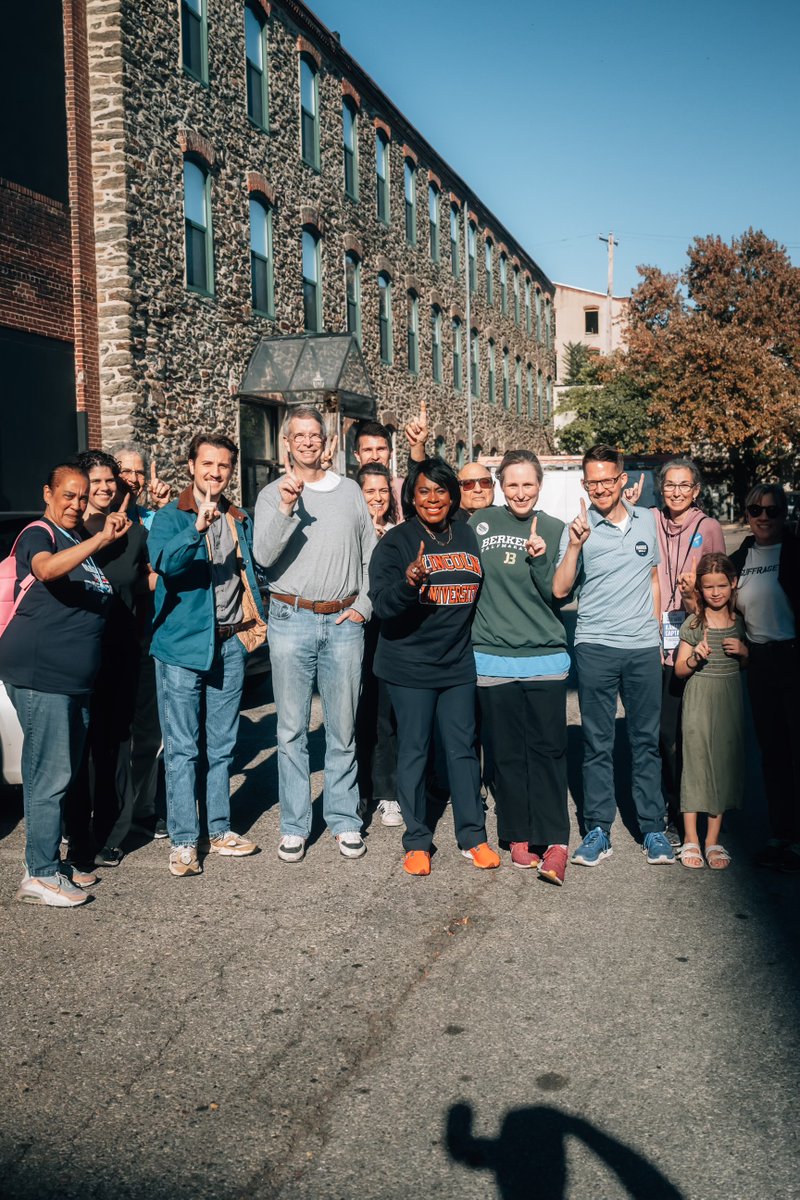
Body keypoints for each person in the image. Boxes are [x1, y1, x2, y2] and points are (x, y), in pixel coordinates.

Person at [0, 462, 128, 906]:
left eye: (81, 495)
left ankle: (52, 862)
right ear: (48, 494)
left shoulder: (77, 539)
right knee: (47, 775)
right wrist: (99, 539)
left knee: (62, 772)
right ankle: (39, 874)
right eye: (68, 495)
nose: (75, 503)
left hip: (74, 680)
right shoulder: (41, 533)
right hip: (43, 675)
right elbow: (47, 570)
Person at [254, 406, 375, 863]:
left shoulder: (349, 493)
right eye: (298, 435)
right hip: (291, 618)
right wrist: (287, 506)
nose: (307, 442)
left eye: (314, 435)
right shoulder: (271, 495)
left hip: (344, 621)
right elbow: (264, 557)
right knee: (290, 730)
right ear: (287, 443)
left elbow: (371, 556)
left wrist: (364, 605)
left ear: (327, 443)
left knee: (342, 729)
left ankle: (344, 820)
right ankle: (295, 824)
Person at [368, 457, 500, 876]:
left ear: (452, 495)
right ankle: (417, 840)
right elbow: (383, 604)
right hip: (409, 666)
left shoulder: (466, 533)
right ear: (411, 496)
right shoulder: (396, 543)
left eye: (441, 490)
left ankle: (473, 837)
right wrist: (409, 583)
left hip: (457, 661)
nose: (432, 499)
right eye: (423, 491)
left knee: (462, 750)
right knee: (414, 752)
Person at [148, 433, 266, 877]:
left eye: (223, 466)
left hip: (231, 642)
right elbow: (164, 563)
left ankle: (218, 831)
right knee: (182, 748)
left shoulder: (239, 517)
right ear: (191, 466)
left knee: (221, 747)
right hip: (181, 647)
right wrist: (196, 529)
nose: (215, 472)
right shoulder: (170, 516)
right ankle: (182, 841)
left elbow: (255, 568)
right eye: (207, 464)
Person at [553, 445, 675, 867]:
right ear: (584, 484)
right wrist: (573, 546)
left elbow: (654, 579)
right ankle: (597, 830)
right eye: (593, 482)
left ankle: (653, 828)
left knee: (646, 742)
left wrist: (657, 633)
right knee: (597, 743)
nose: (601, 488)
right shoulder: (581, 528)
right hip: (596, 648)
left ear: (623, 479)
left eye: (608, 479)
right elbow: (560, 590)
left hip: (642, 647)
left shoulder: (648, 520)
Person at [470, 450, 571, 884]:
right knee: (507, 754)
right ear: (500, 485)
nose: (520, 492)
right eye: (512, 484)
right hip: (492, 657)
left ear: (540, 484)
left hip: (544, 658)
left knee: (547, 752)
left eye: (528, 484)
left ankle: (556, 841)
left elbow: (559, 593)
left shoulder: (554, 528)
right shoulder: (479, 525)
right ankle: (517, 834)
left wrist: (542, 557)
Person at [626, 458, 726, 844]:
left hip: (696, 643)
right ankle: (673, 805)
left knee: (700, 733)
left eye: (685, 485)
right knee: (666, 735)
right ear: (660, 487)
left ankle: (707, 809)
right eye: (670, 485)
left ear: (697, 490)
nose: (677, 492)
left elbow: (722, 588)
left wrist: (693, 599)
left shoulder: (710, 528)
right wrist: (627, 502)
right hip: (657, 644)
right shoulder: (648, 519)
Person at [64, 450, 151, 869]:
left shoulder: (134, 534)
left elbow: (146, 584)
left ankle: (112, 834)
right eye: (95, 481)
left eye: (109, 481)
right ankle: (77, 830)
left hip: (120, 652)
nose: (103, 488)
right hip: (76, 653)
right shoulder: (68, 532)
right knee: (79, 748)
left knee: (115, 744)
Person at [730, 484, 800, 873]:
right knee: (773, 752)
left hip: (793, 657)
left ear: (784, 513)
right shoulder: (741, 556)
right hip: (759, 660)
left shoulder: (794, 551)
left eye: (772, 511)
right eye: (756, 509)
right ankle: (781, 834)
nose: (763, 517)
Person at [674, 553, 747, 869]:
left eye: (721, 585)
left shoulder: (739, 623)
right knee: (696, 761)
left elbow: (745, 665)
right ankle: (691, 837)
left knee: (723, 763)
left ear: (733, 584)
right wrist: (695, 658)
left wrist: (745, 652)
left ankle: (713, 840)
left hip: (729, 698)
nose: (715, 593)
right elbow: (678, 669)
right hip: (700, 696)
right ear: (700, 590)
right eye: (708, 587)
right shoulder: (694, 623)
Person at [355, 463, 401, 826]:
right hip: (357, 628)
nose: (377, 498)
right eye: (370, 491)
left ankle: (388, 793)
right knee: (357, 713)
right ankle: (359, 791)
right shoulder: (350, 530)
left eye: (383, 491)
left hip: (390, 629)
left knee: (387, 713)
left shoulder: (399, 533)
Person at [115, 444, 171, 529]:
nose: (134, 479)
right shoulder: (98, 517)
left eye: (139, 473)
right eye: (126, 471)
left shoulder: (150, 519)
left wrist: (164, 507)